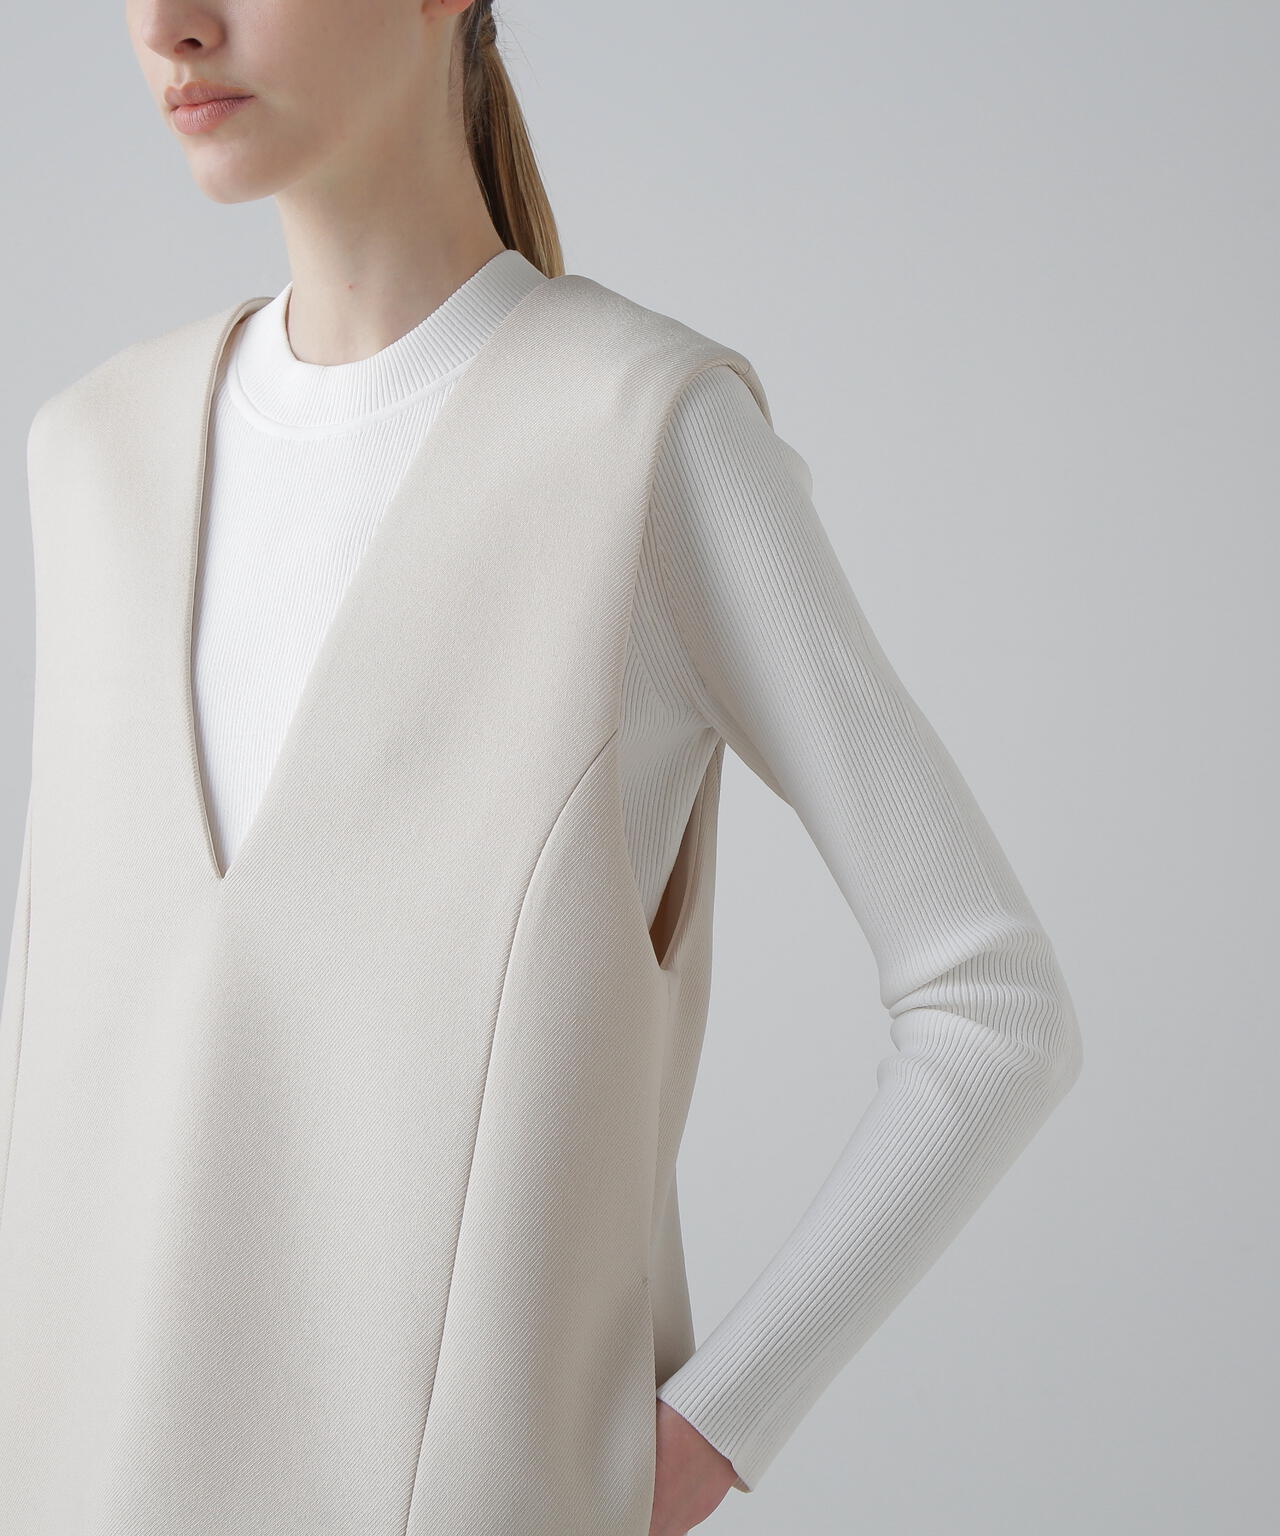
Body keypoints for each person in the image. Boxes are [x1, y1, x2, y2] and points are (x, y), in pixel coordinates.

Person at [0, 4, 1083, 1534]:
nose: (175, 25)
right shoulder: (91, 454)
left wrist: (715, 1426)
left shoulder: (641, 437)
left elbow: (994, 1005)